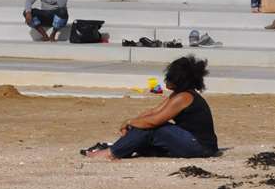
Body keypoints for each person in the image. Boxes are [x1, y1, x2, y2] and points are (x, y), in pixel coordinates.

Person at [84, 55, 218, 160]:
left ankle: (111, 152)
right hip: (192, 141)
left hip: (201, 147)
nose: (166, 80)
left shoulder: (184, 97)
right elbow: (154, 112)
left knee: (150, 127)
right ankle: (120, 147)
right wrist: (134, 123)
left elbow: (154, 121)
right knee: (143, 126)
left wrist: (129, 122)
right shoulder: (178, 95)